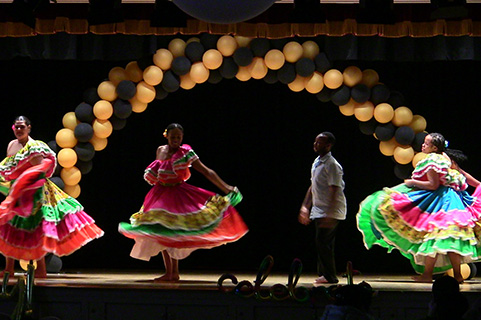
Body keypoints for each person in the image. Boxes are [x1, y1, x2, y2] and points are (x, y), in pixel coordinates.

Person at [118, 123, 248, 282]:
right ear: (166, 136)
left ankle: (174, 272)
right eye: (173, 137)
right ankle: (170, 272)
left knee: (174, 230)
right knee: (159, 232)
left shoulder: (185, 152)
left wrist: (227, 188)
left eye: (179, 137)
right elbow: (158, 172)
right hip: (159, 195)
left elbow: (206, 171)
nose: (176, 140)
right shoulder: (160, 150)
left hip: (178, 195)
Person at [357, 132, 481, 283]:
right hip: (453, 200)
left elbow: (433, 185)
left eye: (426, 143)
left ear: (434, 147)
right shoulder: (445, 157)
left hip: (441, 201)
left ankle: (428, 275)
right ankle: (457, 275)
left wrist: (412, 183)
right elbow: (457, 175)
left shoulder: (432, 160)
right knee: (450, 238)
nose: (422, 145)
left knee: (433, 236)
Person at [0, 116, 104, 278]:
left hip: (35, 192)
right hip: (18, 192)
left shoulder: (34, 146)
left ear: (29, 128)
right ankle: (9, 268)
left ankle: (40, 268)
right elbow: (8, 170)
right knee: (10, 227)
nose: (19, 130)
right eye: (16, 127)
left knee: (35, 229)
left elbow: (42, 170)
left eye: (22, 127)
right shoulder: (11, 145)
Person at [298, 132, 347, 284]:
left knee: (324, 243)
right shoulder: (317, 162)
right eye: (315, 141)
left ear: (328, 145)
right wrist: (305, 207)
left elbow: (334, 189)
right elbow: (313, 186)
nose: (315, 144)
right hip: (320, 209)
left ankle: (330, 276)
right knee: (322, 242)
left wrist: (330, 214)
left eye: (319, 142)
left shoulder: (332, 165)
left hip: (330, 209)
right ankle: (325, 274)